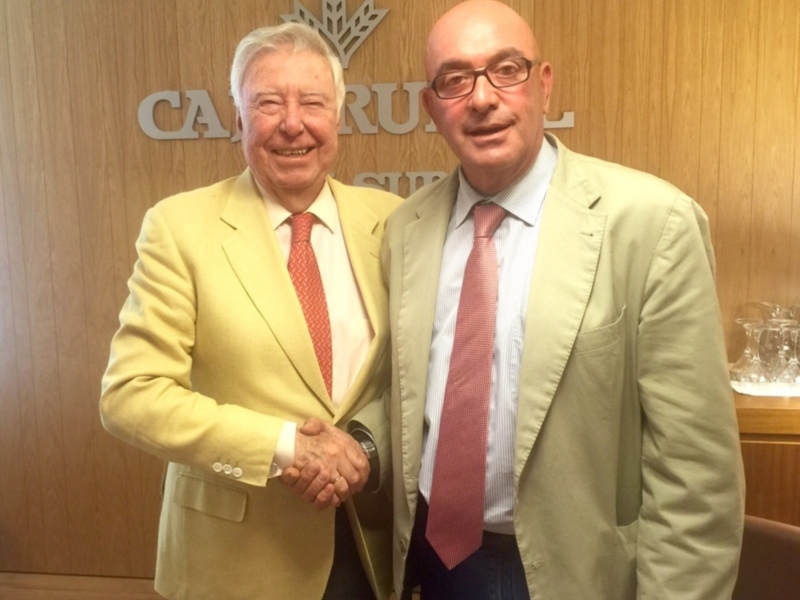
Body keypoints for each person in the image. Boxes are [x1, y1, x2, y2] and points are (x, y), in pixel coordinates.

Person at [381, 1, 746, 599]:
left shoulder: (653, 224)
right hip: (436, 566)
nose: (481, 98)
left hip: (577, 574)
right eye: (455, 79)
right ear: (431, 107)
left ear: (543, 84)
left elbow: (696, 478)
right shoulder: (406, 230)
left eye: (506, 69)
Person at [100, 22, 400, 600]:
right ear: (238, 120)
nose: (293, 123)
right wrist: (287, 445)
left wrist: (365, 447)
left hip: (368, 546)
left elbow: (416, 376)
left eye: (312, 102)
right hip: (236, 561)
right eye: (268, 103)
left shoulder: (392, 222)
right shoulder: (179, 227)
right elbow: (130, 394)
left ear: (337, 116)